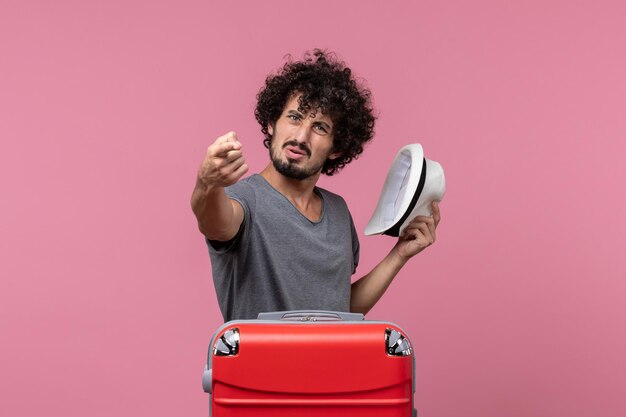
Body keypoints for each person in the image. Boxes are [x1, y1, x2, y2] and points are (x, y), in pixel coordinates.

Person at [191, 50, 441, 322]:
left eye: (320, 127)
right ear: (271, 123)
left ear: (337, 148)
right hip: (257, 365)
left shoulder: (337, 211)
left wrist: (399, 255)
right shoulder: (243, 200)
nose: (301, 136)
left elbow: (339, 311)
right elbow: (213, 222)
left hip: (332, 365)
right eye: (295, 117)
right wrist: (207, 184)